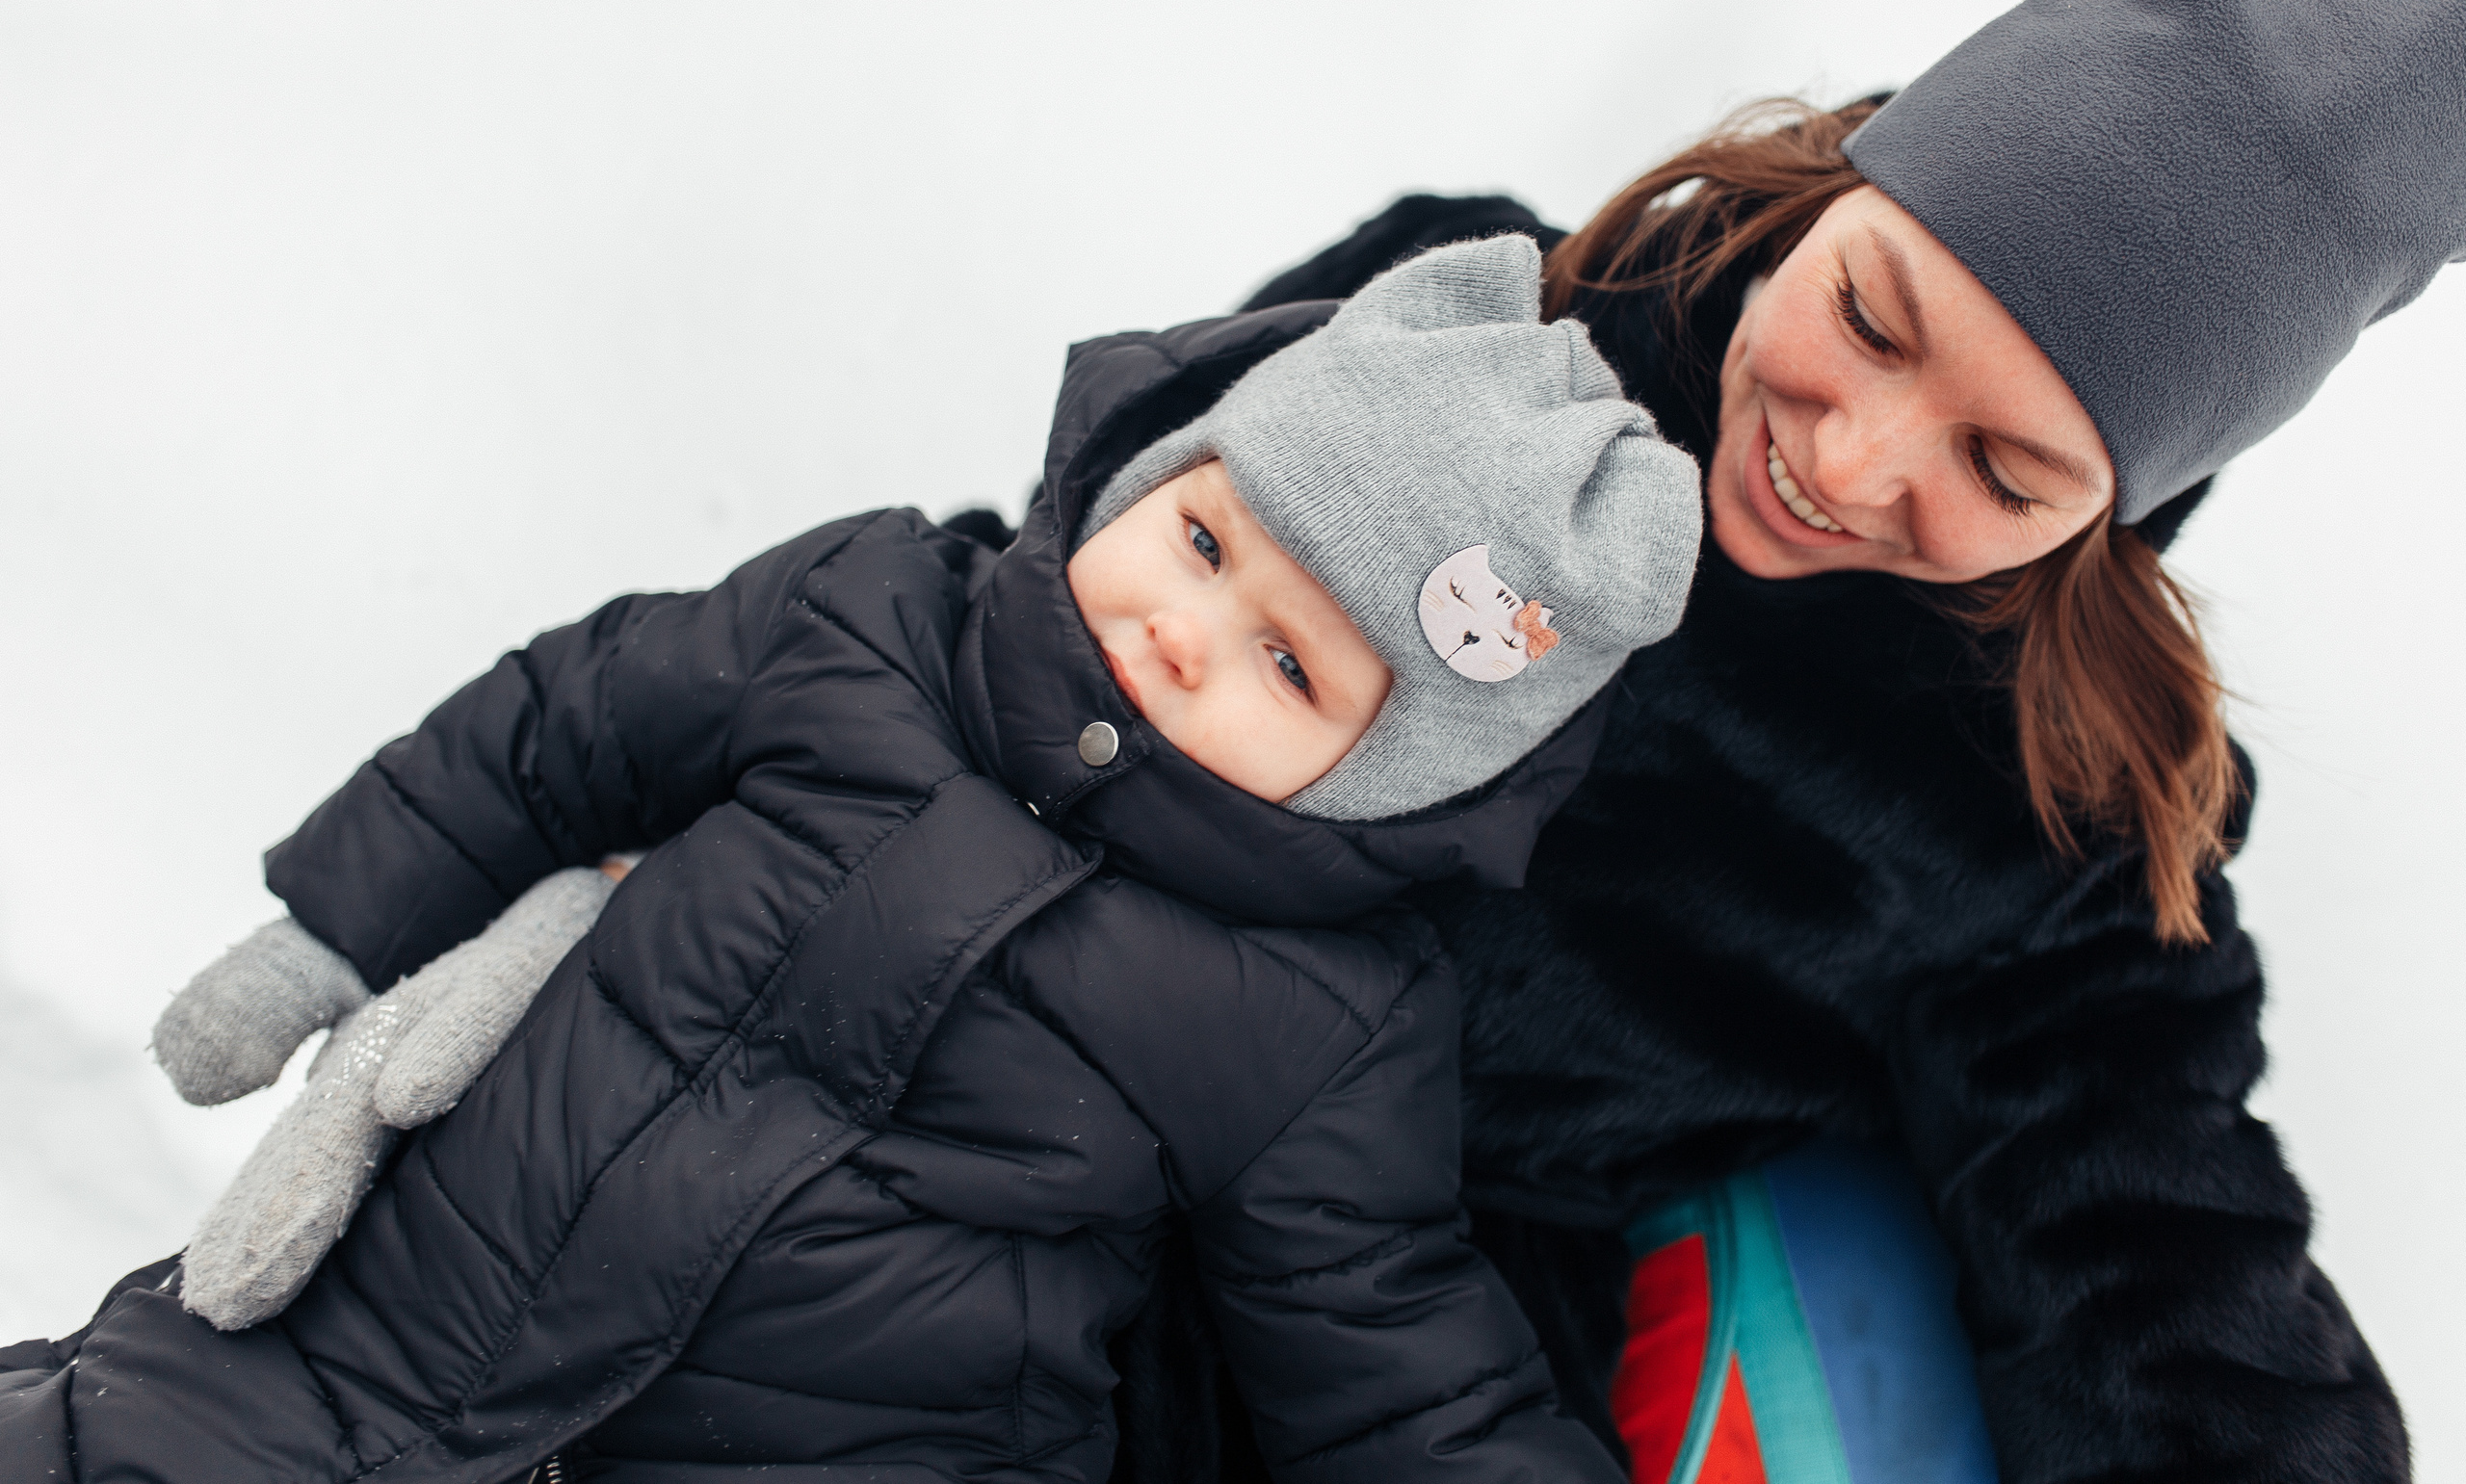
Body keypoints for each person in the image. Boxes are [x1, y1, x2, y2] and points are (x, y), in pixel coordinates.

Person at [0, 238, 1702, 1482]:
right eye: (1202, 540)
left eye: (1291, 665)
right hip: (381, 1333)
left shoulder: (1326, 1016)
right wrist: (331, 931)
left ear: (1392, 781)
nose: (1189, 634)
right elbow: (564, 722)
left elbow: (1390, 1339)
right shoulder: (872, 619)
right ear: (1157, 468)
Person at [1196, 0, 2458, 1483]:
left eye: (2001, 471)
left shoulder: (2041, 803)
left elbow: (2146, 1242)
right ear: (1835, 197)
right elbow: (1052, 579)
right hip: (1009, 1052)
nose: (1849, 468)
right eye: (1868, 318)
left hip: (1379, 1351)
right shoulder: (1456, 319)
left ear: (2112, 513)